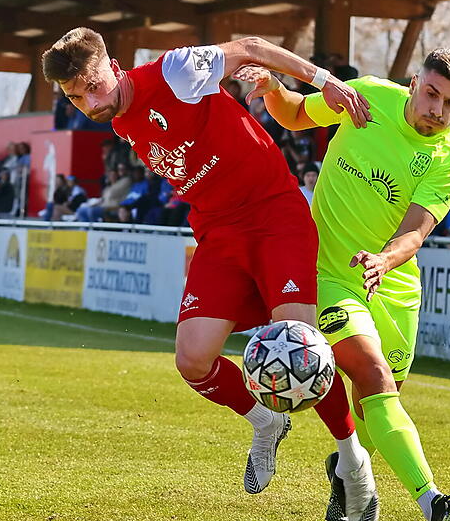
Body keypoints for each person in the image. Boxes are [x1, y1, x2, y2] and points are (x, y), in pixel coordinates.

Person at [42, 27, 378, 520]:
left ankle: (353, 464)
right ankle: (265, 424)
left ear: (112, 66)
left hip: (273, 216)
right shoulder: (117, 119)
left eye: (92, 86)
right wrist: (242, 90)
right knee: (192, 360)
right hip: (219, 233)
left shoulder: (172, 70)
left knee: (302, 348)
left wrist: (321, 79)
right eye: (75, 97)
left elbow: (253, 46)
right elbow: (207, 114)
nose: (89, 102)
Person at [241, 48, 450, 521]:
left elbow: (415, 230)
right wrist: (272, 90)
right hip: (328, 273)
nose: (438, 110)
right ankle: (433, 503)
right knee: (373, 376)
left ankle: (346, 469)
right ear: (414, 83)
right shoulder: (367, 96)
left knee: (378, 405)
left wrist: (384, 259)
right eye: (432, 94)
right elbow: (293, 114)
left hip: (392, 283)